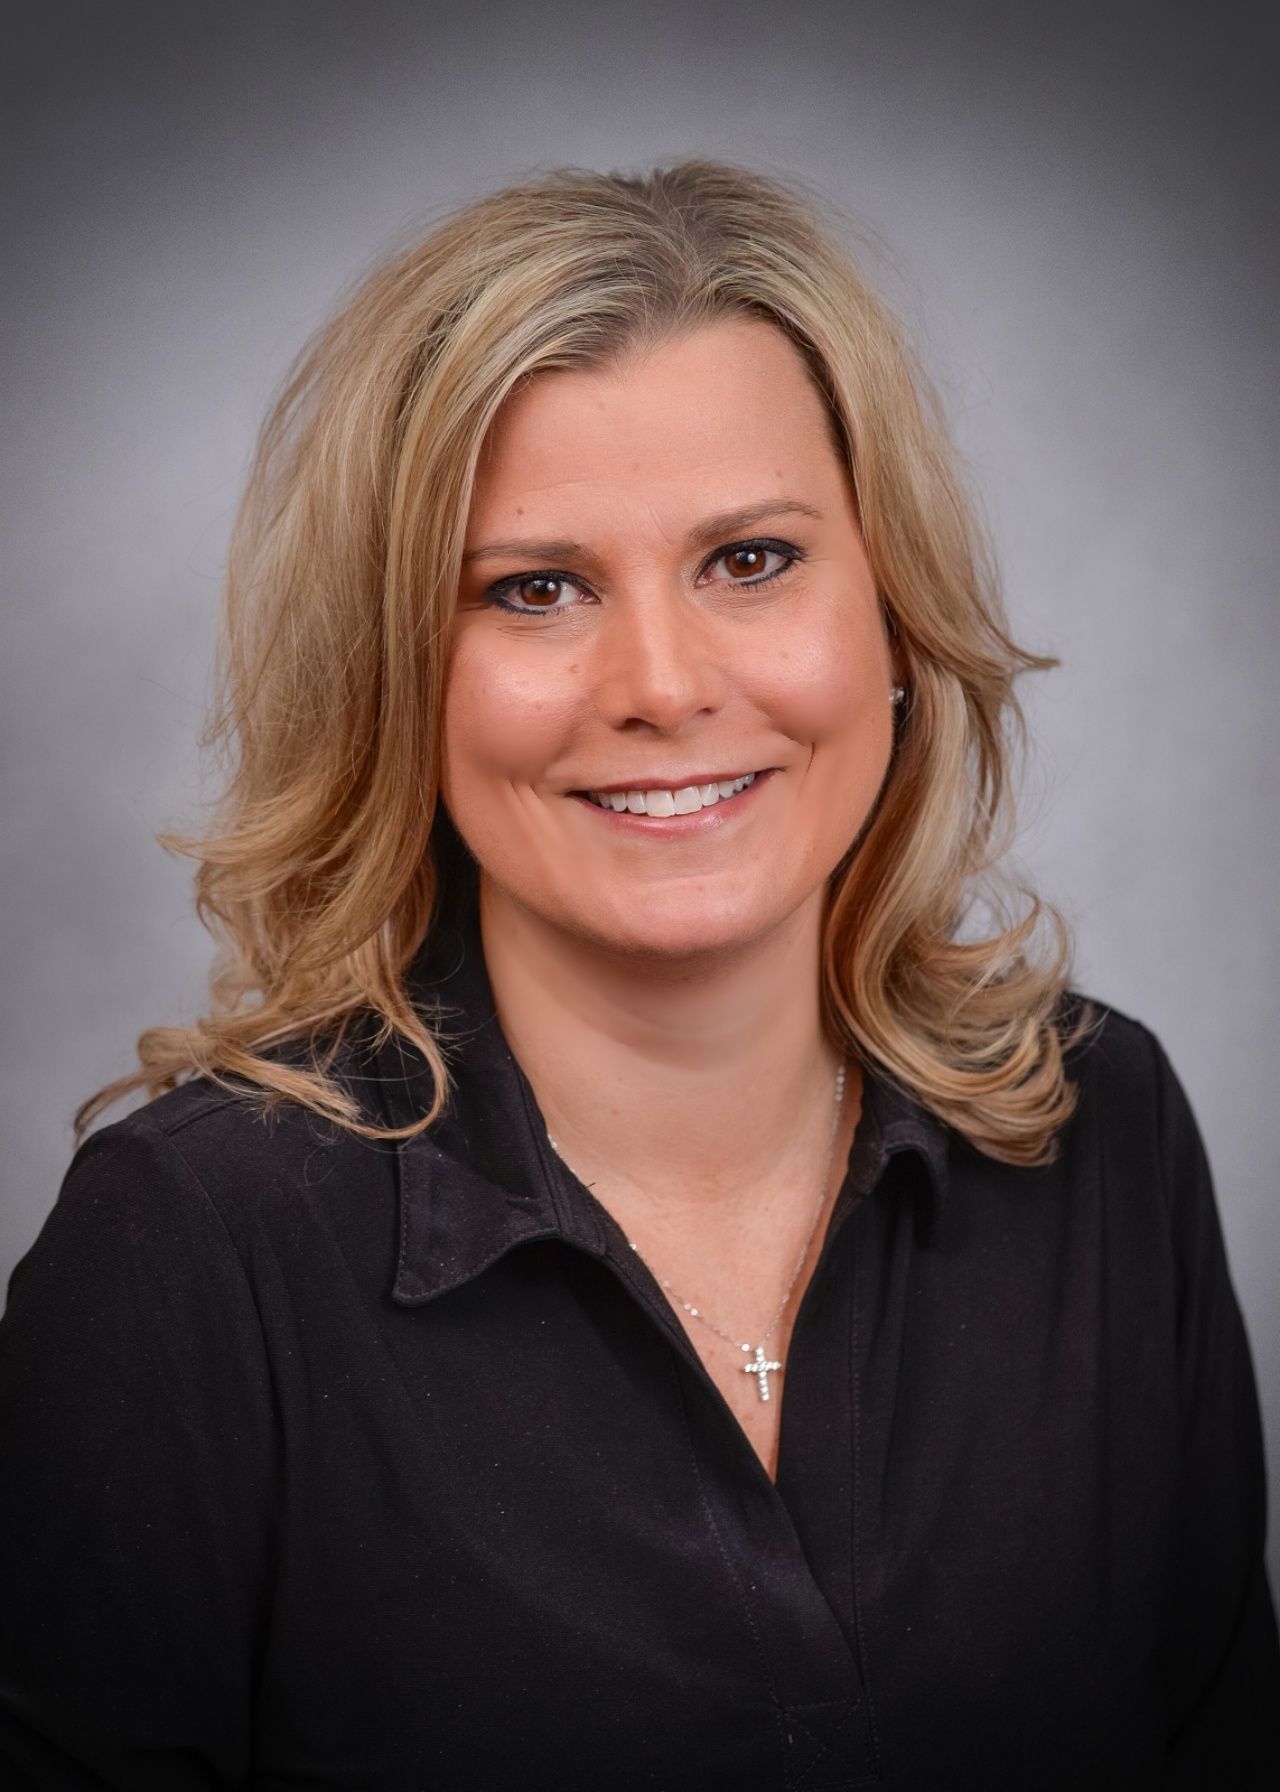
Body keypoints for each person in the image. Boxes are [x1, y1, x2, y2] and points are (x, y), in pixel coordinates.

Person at [0, 158, 1275, 1790]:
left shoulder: (1102, 1132)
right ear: (403, 673)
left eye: (750, 559)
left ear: (893, 619)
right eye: (535, 588)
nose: (662, 686)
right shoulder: (191, 1256)